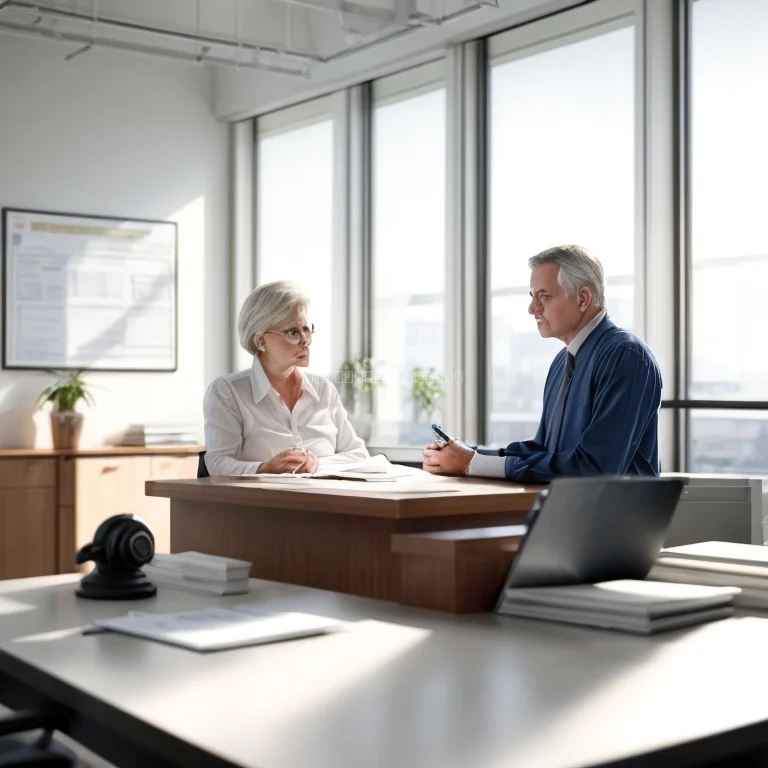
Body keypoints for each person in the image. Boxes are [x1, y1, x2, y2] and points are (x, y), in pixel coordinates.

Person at [423, 245, 662, 482]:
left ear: (583, 298)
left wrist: (474, 463)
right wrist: (467, 453)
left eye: (544, 296)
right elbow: (544, 452)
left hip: (614, 519)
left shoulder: (626, 356)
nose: (532, 309)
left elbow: (596, 468)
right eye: (532, 297)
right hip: (567, 512)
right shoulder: (562, 362)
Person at [203, 281, 369, 476]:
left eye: (306, 329)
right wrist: (264, 469)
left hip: (325, 504)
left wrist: (315, 465)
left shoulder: (324, 390)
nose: (305, 340)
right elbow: (218, 465)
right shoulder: (228, 392)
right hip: (261, 505)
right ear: (261, 341)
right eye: (293, 332)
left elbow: (359, 455)